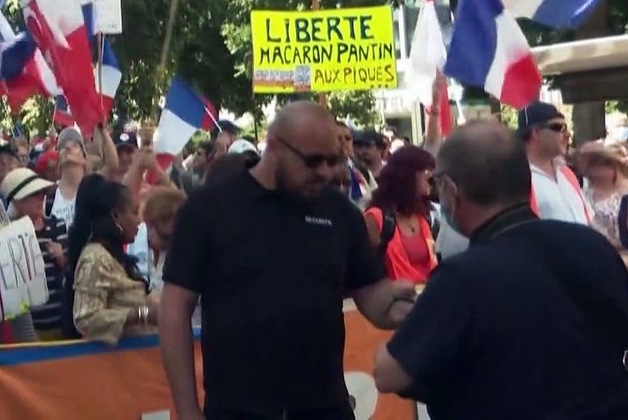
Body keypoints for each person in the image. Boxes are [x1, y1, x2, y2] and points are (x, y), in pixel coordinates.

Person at [160, 102, 415, 420]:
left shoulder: (339, 212)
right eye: (312, 161)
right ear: (275, 146)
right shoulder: (210, 208)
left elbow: (370, 293)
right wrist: (186, 409)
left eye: (331, 160)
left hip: (324, 406)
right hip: (238, 409)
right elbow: (174, 309)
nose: (323, 171)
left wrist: (405, 306)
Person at [373, 120, 628, 418]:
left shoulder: (462, 277)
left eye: (437, 183)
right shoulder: (591, 245)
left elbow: (388, 374)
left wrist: (418, 314)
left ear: (452, 189)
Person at [65, 174, 156, 345]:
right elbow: (86, 317)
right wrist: (144, 314)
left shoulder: (112, 256)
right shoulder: (95, 258)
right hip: (115, 366)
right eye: (135, 212)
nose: (139, 220)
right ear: (115, 216)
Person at [0, 167, 67, 338]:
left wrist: (62, 257)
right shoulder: (4, 234)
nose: (41, 198)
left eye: (43, 193)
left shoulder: (57, 225)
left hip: (61, 321)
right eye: (33, 194)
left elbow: (74, 271)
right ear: (16, 201)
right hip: (26, 329)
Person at [362, 147, 438, 283]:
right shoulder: (376, 218)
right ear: (408, 176)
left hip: (427, 295)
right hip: (393, 298)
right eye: (426, 173)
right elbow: (365, 269)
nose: (430, 179)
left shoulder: (422, 216)